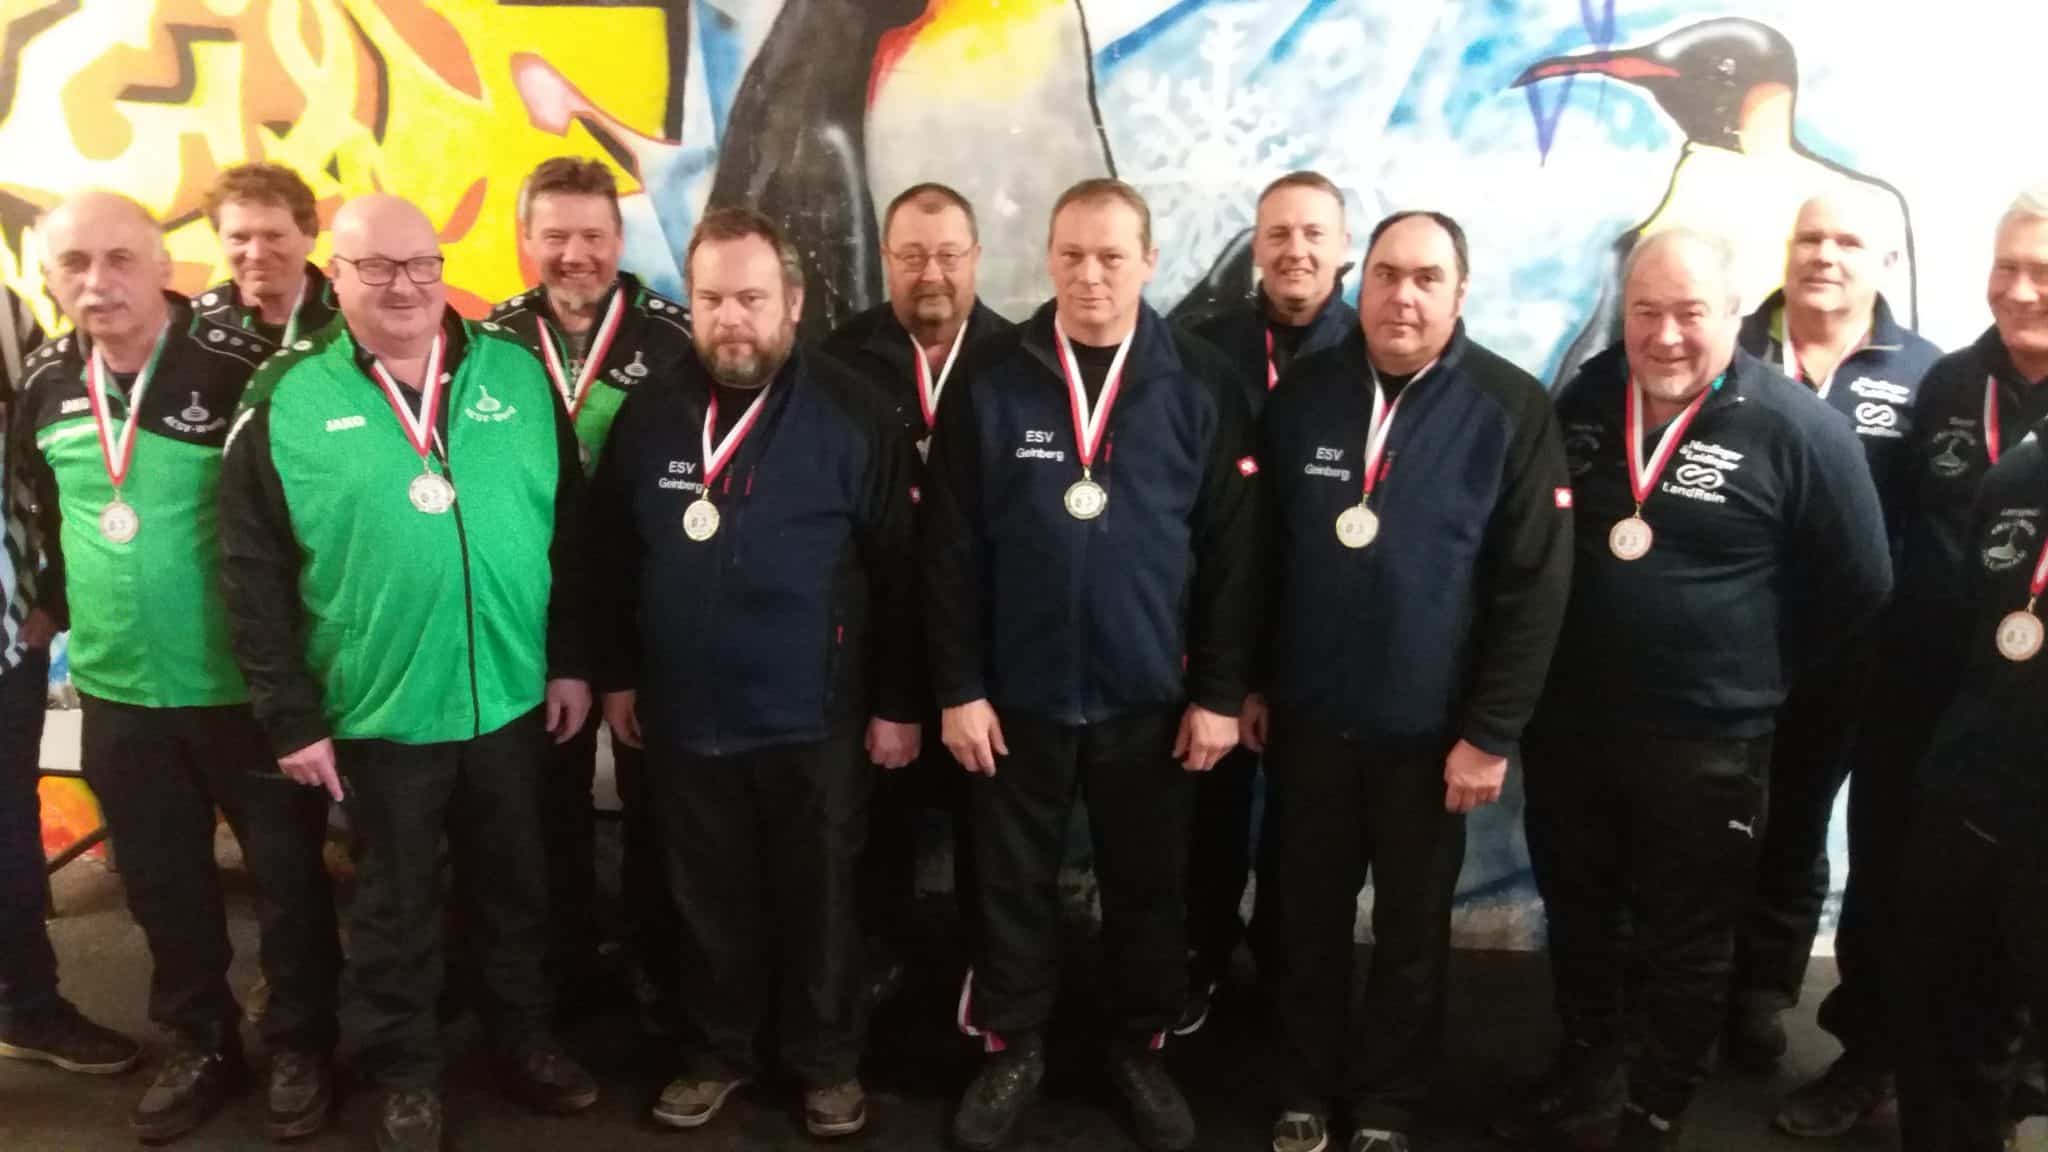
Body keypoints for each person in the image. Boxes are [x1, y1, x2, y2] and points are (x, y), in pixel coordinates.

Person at [217, 193, 596, 1152]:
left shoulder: (515, 373)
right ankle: (406, 1071)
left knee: (516, 890)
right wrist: (290, 715)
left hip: (510, 698)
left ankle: (523, 1041)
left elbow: (574, 533)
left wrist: (570, 662)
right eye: (376, 267)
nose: (404, 286)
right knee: (394, 911)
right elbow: (250, 568)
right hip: (377, 708)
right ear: (335, 276)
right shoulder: (285, 395)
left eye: (421, 264)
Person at [1499, 230, 1891, 1151]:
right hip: (1573, 731)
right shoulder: (1585, 400)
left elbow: (1862, 586)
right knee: (1581, 915)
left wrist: (1757, 668)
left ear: (1733, 312)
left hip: (1709, 744)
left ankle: (1657, 1111)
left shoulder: (1801, 429)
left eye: (1690, 312)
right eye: (1646, 312)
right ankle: (1587, 1069)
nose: (1666, 335)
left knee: (1690, 941)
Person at [925, 178, 1259, 1152]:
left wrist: (1216, 694)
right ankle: (1012, 1045)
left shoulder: (1200, 384)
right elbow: (948, 551)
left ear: (1148, 261)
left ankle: (1136, 1046)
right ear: (1048, 257)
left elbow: (1232, 557)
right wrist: (958, 687)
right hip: (1012, 696)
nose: (1090, 275)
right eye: (1071, 254)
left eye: (1112, 256)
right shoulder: (992, 377)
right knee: (1008, 883)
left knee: (1148, 887)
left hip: (1150, 696)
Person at [12, 191, 341, 1142]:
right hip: (119, 690)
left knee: (288, 880)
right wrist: (47, 606)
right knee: (164, 887)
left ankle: (301, 1041)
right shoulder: (45, 382)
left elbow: (296, 524)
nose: (97, 282)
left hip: (242, 690)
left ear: (164, 264)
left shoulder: (243, 371)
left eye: (120, 259)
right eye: (74, 264)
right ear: (49, 279)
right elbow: (41, 511)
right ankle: (200, 1041)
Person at [592, 206, 919, 1138]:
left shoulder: (854, 411)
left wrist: (898, 705)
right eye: (712, 300)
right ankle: (717, 1053)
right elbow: (610, 557)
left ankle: (826, 1064)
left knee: (823, 900)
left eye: (751, 298)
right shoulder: (652, 413)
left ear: (794, 302)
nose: (731, 319)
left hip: (816, 713)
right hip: (685, 714)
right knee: (706, 898)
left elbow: (902, 572)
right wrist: (618, 676)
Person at [1256, 209, 1572, 1152]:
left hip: (1432, 737)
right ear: (1363, 282)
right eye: (1387, 274)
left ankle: (1388, 1104)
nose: (1403, 296)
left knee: (1410, 931)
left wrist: (1491, 732)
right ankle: (1301, 1087)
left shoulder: (1509, 407)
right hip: (1310, 720)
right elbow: (1262, 554)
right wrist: (1253, 683)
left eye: (1427, 278)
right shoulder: (1305, 394)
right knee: (1303, 921)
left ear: (1460, 291)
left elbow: (1534, 584)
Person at [1725, 190, 1941, 1128]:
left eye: (1848, 241)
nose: (1824, 254)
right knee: (1710, 824)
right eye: (1809, 236)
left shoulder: (1928, 376)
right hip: (1728, 644)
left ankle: (1760, 992)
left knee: (1798, 823)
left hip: (1857, 661)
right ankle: (1691, 987)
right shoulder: (1727, 346)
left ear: (1884, 262)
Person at [489, 156, 692, 1016]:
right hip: (533, 619)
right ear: (526, 239)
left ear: (620, 237)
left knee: (659, 803)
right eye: (556, 236)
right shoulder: (489, 346)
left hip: (651, 613)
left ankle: (656, 963)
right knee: (543, 805)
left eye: (593, 235)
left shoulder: (675, 340)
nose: (575, 254)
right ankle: (560, 965)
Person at [823, 181, 1013, 999]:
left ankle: (990, 972)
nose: (930, 272)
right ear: (885, 259)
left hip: (986, 644)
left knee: (991, 827)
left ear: (975, 258)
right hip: (874, 638)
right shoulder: (836, 361)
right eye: (911, 256)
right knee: (875, 819)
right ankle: (878, 960)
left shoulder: (1020, 361)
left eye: (947, 254)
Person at [1179, 170, 1357, 1031]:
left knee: (1309, 828)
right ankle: (1200, 957)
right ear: (1256, 244)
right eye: (1279, 233)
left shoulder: (1378, 351)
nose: (1296, 250)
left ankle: (1290, 971)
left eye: (1315, 233)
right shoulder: (1202, 350)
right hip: (1219, 627)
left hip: (1326, 634)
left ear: (1345, 248)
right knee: (1208, 816)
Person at [1892, 183, 2048, 1152]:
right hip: (1963, 745)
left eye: (2043, 272)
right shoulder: (1984, 431)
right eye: (2006, 267)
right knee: (1944, 990)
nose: (2020, 290)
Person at [0, 281, 142, 1083]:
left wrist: (47, 596)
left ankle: (27, 1005)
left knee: (7, 833)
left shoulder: (3, 312)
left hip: (8, 637)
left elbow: (36, 458)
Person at [198, 162, 339, 351]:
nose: (257, 254)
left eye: (274, 236)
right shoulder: (194, 326)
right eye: (239, 238)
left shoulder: (352, 314)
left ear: (310, 237)